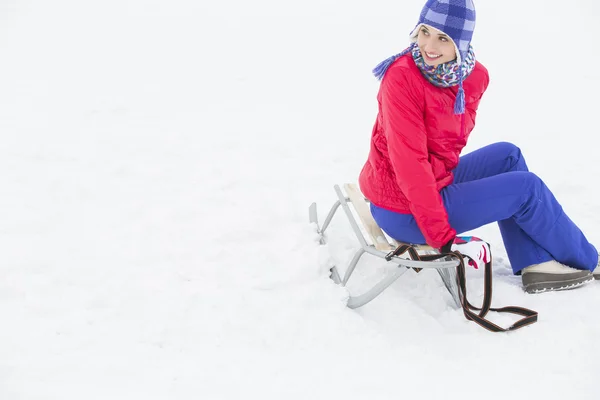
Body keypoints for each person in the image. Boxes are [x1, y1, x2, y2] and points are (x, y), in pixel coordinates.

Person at [358, 0, 599, 294]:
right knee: (526, 188)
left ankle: (534, 263)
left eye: (443, 38)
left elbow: (444, 146)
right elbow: (410, 163)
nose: (429, 46)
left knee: (508, 155)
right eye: (424, 32)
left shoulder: (469, 77)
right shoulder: (401, 78)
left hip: (430, 182)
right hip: (401, 209)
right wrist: (440, 235)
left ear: (461, 42)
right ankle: (588, 260)